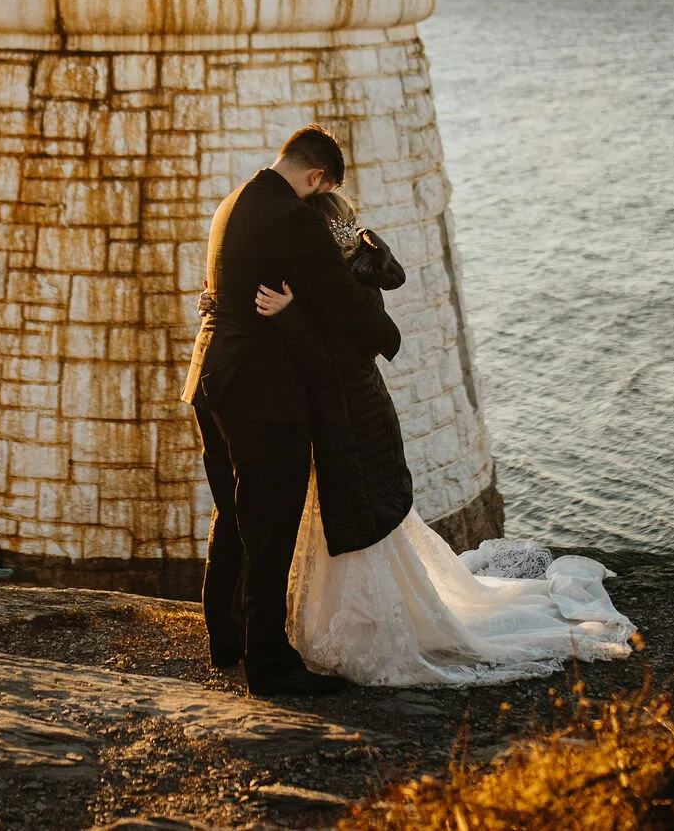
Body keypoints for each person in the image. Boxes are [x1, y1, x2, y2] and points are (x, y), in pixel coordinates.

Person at [254, 191, 643, 687]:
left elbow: (329, 364)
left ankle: (366, 630)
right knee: (360, 522)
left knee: (359, 522)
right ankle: (355, 620)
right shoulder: (354, 274)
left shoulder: (342, 290)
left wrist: (288, 315)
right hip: (358, 414)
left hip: (351, 419)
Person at [182, 125, 400, 696]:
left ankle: (225, 639)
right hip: (259, 392)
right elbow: (340, 296)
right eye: (321, 187)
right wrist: (384, 331)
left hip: (211, 376)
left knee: (232, 511)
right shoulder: (294, 218)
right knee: (269, 521)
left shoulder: (235, 201)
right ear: (318, 177)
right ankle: (270, 665)